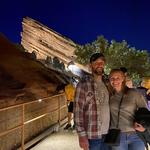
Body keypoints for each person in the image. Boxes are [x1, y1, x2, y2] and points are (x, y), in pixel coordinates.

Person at [74, 53, 110, 150]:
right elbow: (78, 111)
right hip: (92, 135)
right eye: (96, 63)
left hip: (108, 134)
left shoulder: (107, 83)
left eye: (101, 63)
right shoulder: (83, 84)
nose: (99, 65)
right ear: (91, 65)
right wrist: (81, 136)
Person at [109, 69, 147, 150]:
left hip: (136, 135)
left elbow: (145, 112)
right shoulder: (109, 95)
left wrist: (144, 127)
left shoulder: (134, 93)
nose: (115, 80)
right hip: (117, 136)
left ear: (123, 79)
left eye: (118, 78)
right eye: (112, 78)